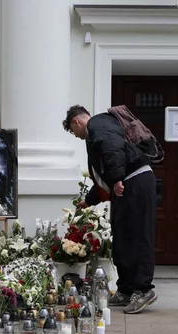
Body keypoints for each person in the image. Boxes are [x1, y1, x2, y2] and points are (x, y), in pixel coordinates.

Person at [63, 105, 157, 314]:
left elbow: (112, 148)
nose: (76, 136)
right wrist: (89, 200)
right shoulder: (100, 127)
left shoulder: (98, 124)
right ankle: (126, 289)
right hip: (129, 184)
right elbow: (103, 171)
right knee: (123, 236)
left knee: (138, 235)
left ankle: (143, 290)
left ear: (76, 122)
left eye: (72, 131)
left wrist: (116, 179)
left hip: (136, 182)